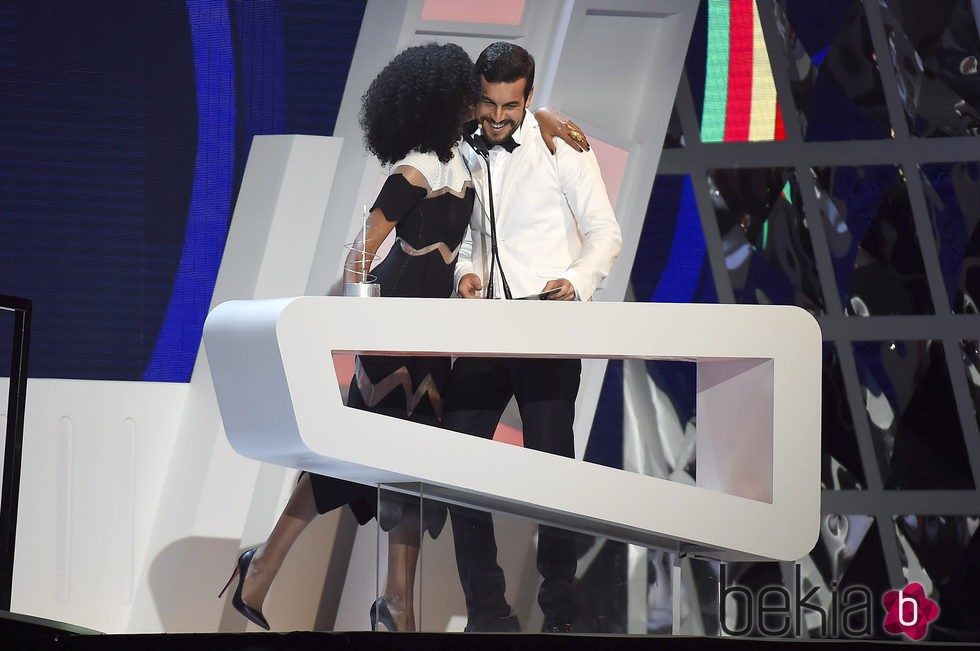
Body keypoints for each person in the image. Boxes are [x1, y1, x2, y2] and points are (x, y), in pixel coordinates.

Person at [218, 41, 595, 633]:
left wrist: (546, 116)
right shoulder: (419, 162)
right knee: (350, 459)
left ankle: (391, 600)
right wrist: (363, 323)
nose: (484, 109)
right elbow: (361, 253)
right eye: (471, 98)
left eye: (488, 101)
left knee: (410, 466)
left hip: (432, 335)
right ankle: (271, 569)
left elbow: (508, 117)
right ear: (439, 101)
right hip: (393, 329)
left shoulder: (469, 158)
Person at [445, 41, 621, 633]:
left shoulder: (558, 146)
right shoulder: (464, 148)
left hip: (545, 325)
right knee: (458, 462)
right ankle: (488, 613)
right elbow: (469, 237)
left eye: (510, 106)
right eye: (489, 105)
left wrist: (573, 282)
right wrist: (464, 272)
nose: (498, 119)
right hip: (487, 328)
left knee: (552, 469)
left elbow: (604, 233)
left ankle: (563, 613)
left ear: (529, 96)